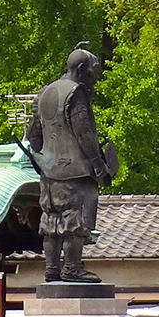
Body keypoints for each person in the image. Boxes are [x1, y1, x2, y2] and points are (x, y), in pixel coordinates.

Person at [23, 42, 118, 282]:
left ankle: (52, 268)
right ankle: (72, 267)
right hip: (74, 170)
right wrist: (98, 162)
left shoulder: (44, 93)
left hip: (48, 171)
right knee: (74, 220)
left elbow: (33, 135)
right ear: (82, 68)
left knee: (51, 220)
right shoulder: (75, 93)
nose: (95, 77)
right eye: (93, 71)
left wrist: (44, 155)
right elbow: (84, 131)